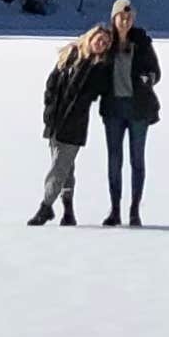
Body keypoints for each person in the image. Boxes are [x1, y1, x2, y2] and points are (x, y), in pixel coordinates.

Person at [28, 24, 107, 226]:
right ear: (90, 38)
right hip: (55, 122)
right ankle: (68, 212)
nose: (101, 44)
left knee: (58, 168)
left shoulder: (98, 68)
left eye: (105, 43)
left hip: (74, 126)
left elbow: (89, 93)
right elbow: (51, 85)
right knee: (67, 168)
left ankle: (45, 207)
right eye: (99, 40)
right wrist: (48, 111)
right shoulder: (70, 57)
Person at [97, 0, 161, 227]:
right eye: (121, 17)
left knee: (137, 160)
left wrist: (148, 78)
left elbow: (156, 72)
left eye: (129, 17)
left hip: (138, 110)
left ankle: (134, 210)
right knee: (114, 160)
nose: (125, 21)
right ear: (113, 18)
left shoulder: (142, 42)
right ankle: (115, 210)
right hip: (113, 109)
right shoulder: (105, 42)